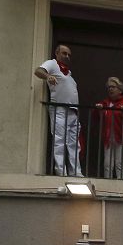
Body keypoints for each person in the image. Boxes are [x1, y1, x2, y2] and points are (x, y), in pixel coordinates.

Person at [35, 44, 81, 176]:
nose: (67, 56)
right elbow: (38, 71)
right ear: (57, 53)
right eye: (64, 53)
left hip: (73, 112)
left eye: (69, 55)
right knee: (60, 141)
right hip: (59, 110)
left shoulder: (69, 73)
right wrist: (47, 77)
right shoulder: (52, 64)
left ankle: (76, 172)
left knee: (74, 145)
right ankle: (61, 171)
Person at [94, 77, 123, 179]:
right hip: (108, 138)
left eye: (113, 87)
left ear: (120, 89)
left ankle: (121, 187)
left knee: (119, 164)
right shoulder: (105, 103)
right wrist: (98, 110)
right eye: (109, 87)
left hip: (122, 138)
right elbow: (96, 118)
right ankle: (108, 184)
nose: (110, 89)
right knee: (107, 164)